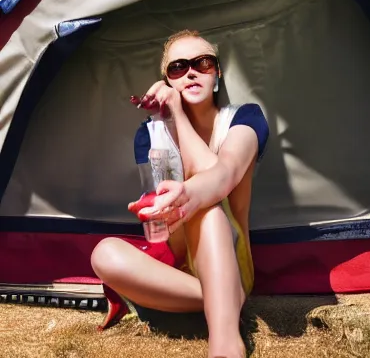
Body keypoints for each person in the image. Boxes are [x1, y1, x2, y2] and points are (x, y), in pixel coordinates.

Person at [90, 31, 270, 358]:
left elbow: (223, 175)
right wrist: (156, 212)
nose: (191, 72)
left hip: (231, 255)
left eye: (203, 63)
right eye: (178, 67)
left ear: (217, 74)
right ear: (167, 81)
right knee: (104, 253)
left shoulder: (244, 118)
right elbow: (159, 228)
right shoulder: (148, 134)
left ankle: (226, 343)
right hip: (176, 268)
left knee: (207, 209)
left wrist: (178, 120)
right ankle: (223, 299)